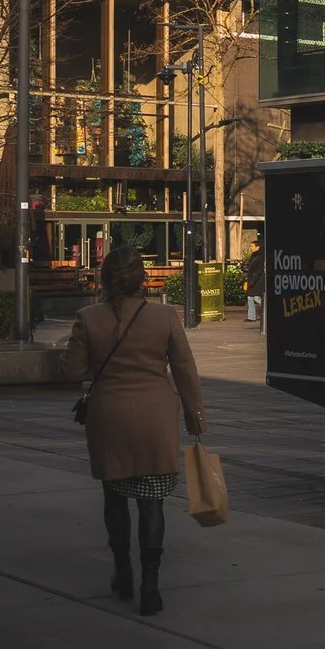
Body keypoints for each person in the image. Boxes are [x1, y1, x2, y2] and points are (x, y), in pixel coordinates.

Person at [62, 245, 205, 617]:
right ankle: (151, 585)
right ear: (143, 277)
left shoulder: (88, 317)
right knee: (152, 501)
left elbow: (73, 370)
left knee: (114, 495)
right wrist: (195, 415)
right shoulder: (165, 316)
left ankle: (123, 570)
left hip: (109, 417)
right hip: (155, 416)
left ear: (104, 277)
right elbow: (186, 369)